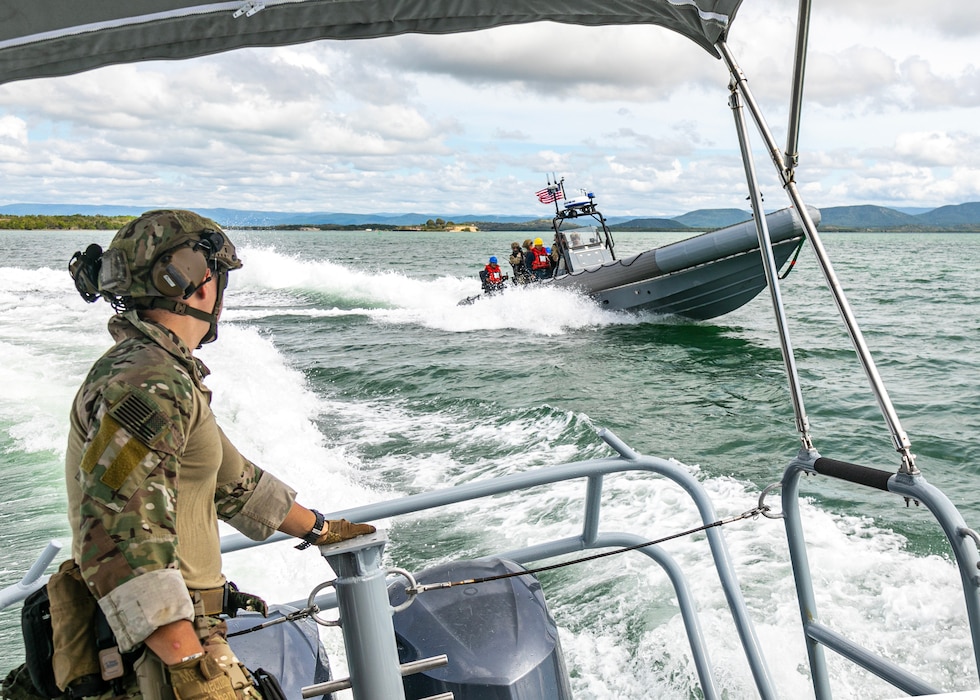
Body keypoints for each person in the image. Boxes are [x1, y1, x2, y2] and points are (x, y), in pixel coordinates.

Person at [3, 210, 376, 700]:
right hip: (156, 657)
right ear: (199, 286)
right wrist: (192, 668)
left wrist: (323, 530)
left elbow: (232, 483)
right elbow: (117, 530)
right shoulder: (148, 383)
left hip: (176, 640)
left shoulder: (166, 375)